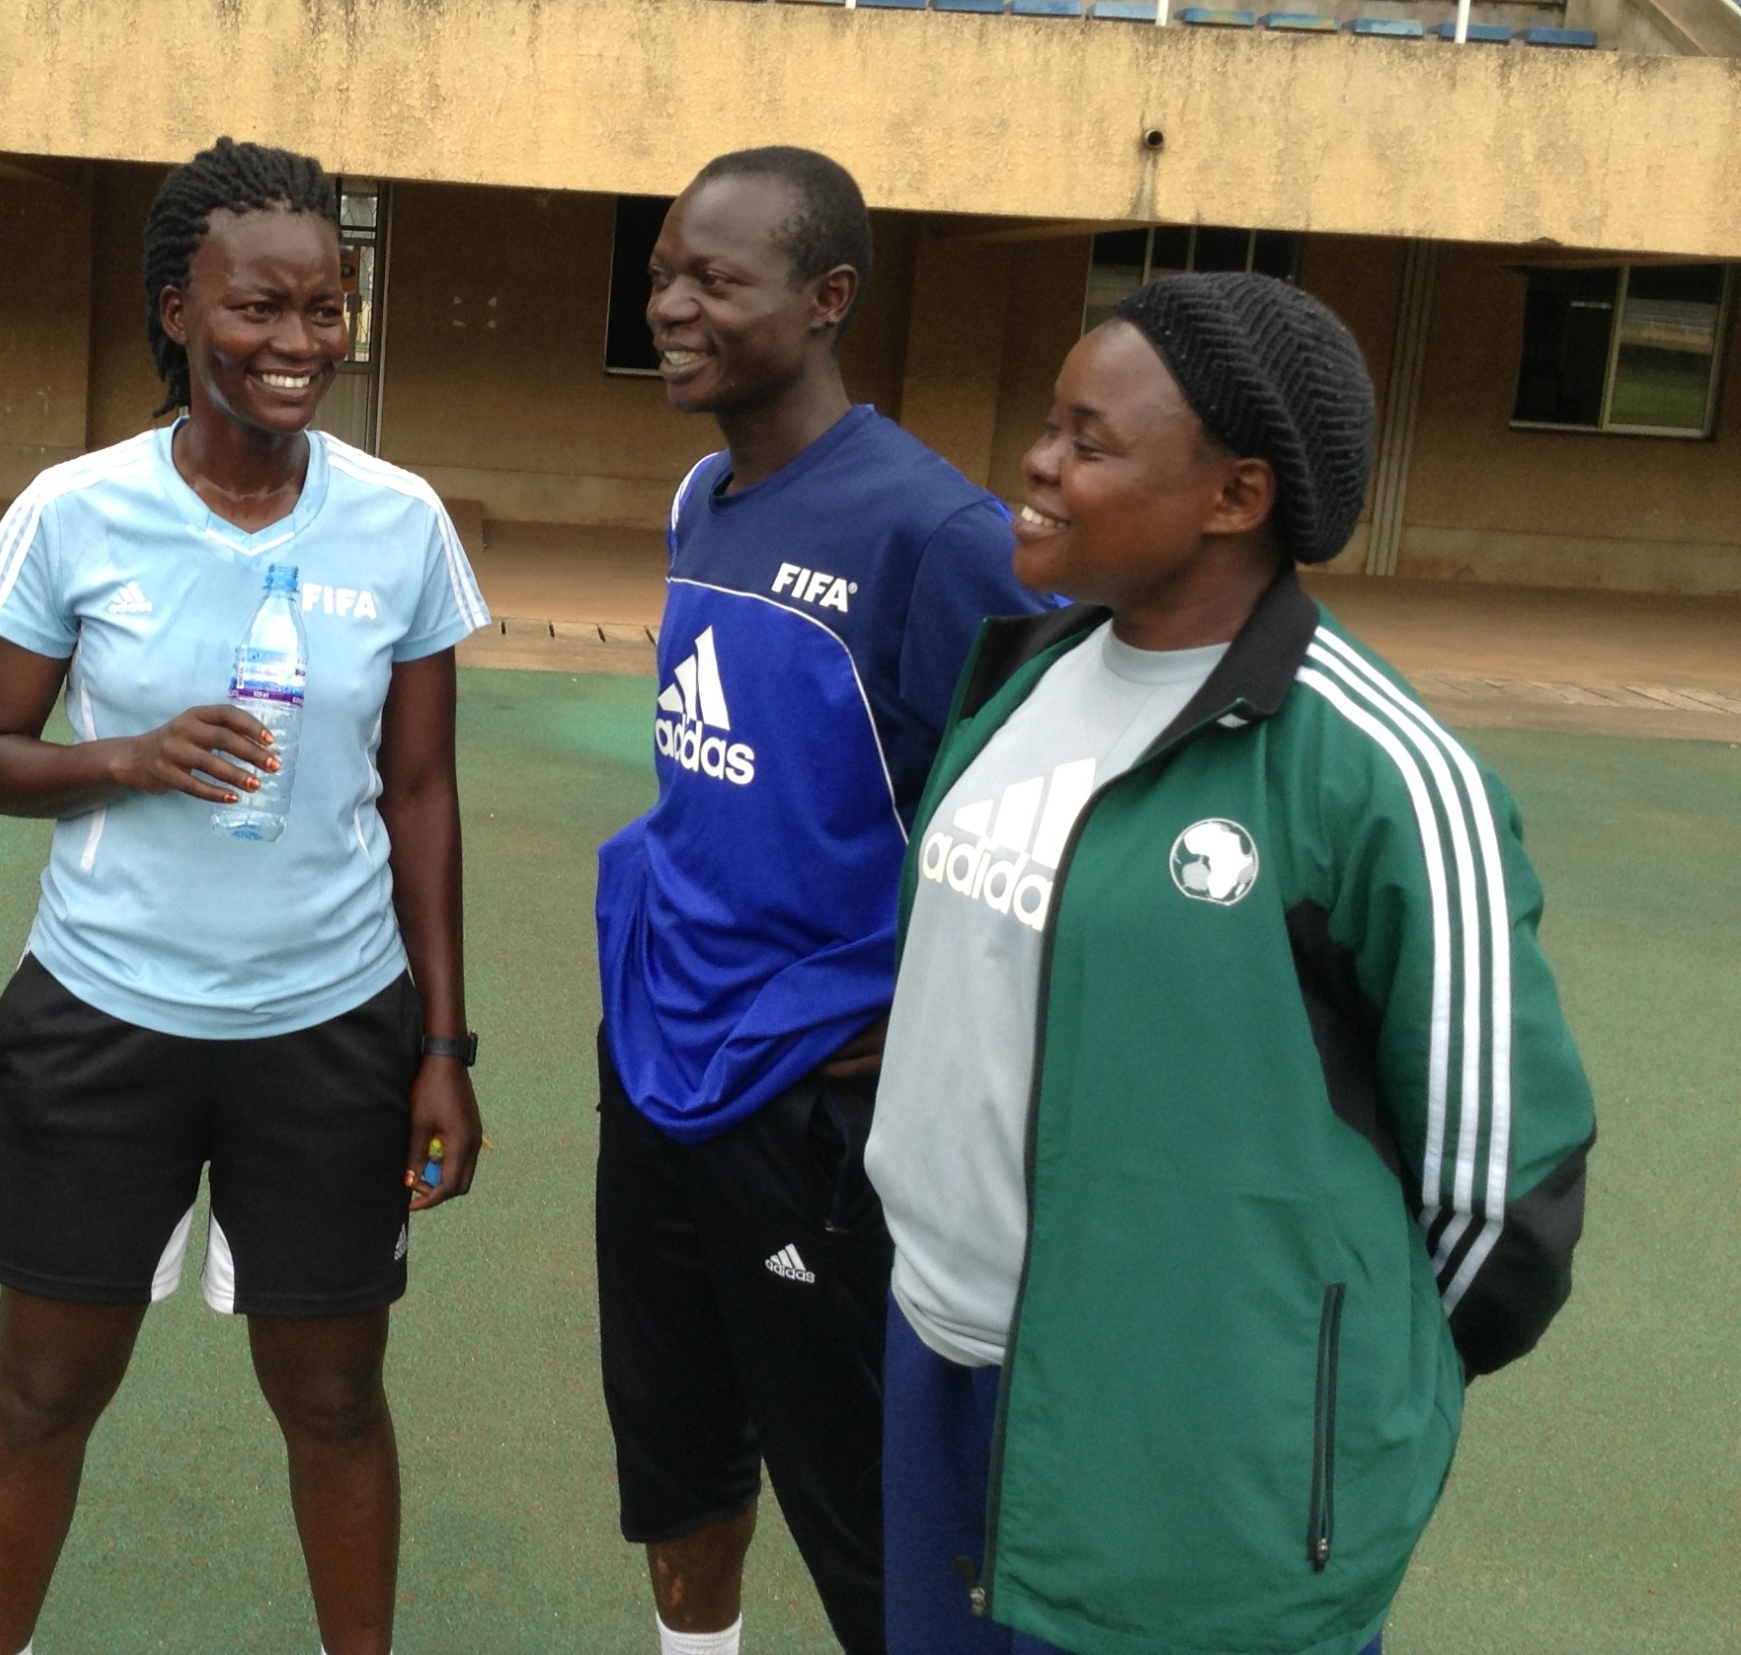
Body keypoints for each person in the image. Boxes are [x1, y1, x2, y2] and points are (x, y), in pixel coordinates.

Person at [864, 273, 1594, 1654]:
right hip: (942, 1358)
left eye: (1088, 438)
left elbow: (1507, 1197)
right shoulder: (1020, 673)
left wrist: (1292, 1391)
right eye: (1049, 423)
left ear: (1237, 496)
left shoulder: (1378, 771)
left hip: (1190, 1439)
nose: (1036, 460)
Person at [0, 138, 488, 1655]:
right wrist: (125, 757)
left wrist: (446, 1049)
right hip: (103, 1017)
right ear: (178, 310)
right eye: (260, 308)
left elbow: (422, 793)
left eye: (328, 308)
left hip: (330, 1029)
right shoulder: (75, 509)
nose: (300, 342)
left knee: (336, 1403)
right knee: (43, 1396)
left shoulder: (400, 521)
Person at [592, 147, 1051, 1655]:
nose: (672, 306)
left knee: (874, 1522)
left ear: (828, 298)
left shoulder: (938, 537)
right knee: (678, 1465)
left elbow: (1062, 806)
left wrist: (926, 1012)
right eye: (663, 273)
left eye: (716, 280)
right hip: (659, 1067)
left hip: (815, 1108)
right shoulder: (703, 497)